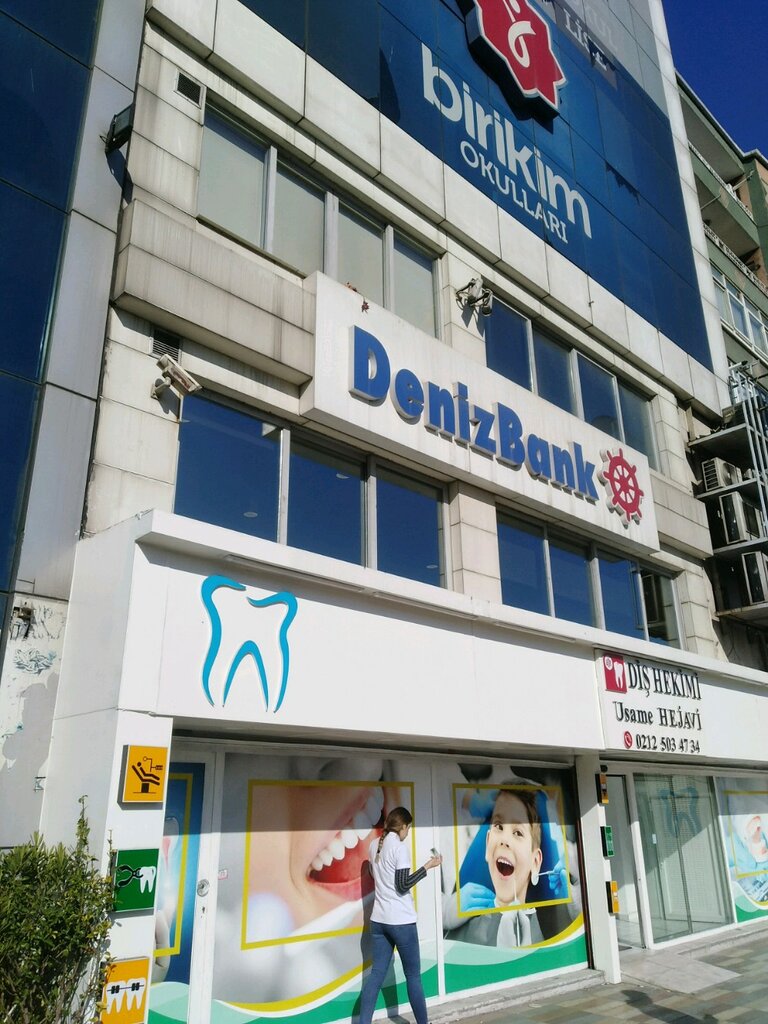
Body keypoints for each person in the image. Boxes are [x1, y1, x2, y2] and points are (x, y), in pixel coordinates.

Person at [358, 807, 441, 1024]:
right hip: (401, 922)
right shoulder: (400, 848)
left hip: (379, 920)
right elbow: (402, 885)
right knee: (413, 976)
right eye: (408, 828)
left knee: (376, 975)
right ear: (402, 826)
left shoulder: (374, 845)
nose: (408, 832)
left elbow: (374, 874)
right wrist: (428, 866)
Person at [445, 786, 545, 947]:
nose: (504, 840)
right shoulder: (461, 925)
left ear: (535, 862)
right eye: (499, 826)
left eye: (518, 833)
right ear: (487, 844)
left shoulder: (542, 936)